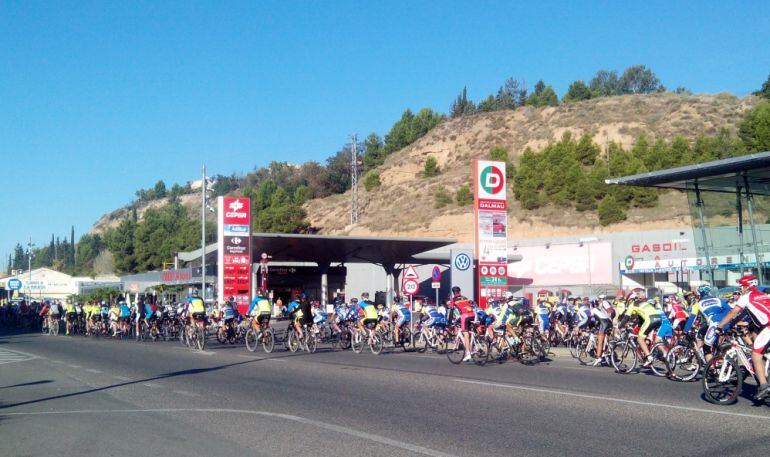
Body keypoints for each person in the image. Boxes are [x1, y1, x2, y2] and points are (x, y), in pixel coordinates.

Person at [716, 275, 770, 400]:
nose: (741, 289)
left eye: (741, 286)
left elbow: (733, 312)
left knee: (755, 354)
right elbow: (745, 313)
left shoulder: (746, 297)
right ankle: (763, 377)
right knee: (761, 351)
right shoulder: (762, 295)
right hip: (765, 327)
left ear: (746, 286)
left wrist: (720, 326)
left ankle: (764, 386)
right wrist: (732, 324)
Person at [683, 284, 731, 362]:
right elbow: (729, 310)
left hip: (715, 324)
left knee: (706, 347)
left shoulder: (697, 304)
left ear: (699, 294)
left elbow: (692, 318)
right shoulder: (718, 300)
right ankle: (719, 358)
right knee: (715, 341)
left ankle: (711, 367)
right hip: (726, 322)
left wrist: (685, 331)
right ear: (709, 292)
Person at [450, 286, 475, 362]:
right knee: (469, 331)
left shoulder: (453, 300)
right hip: (473, 315)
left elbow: (451, 312)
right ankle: (473, 347)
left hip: (465, 316)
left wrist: (449, 322)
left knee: (465, 334)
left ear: (453, 293)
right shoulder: (465, 298)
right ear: (460, 291)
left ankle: (468, 354)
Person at [589, 295, 613, 366]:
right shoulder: (600, 309)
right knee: (605, 339)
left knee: (600, 341)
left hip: (604, 323)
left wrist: (588, 327)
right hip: (609, 322)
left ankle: (598, 357)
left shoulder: (593, 310)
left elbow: (590, 320)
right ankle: (606, 352)